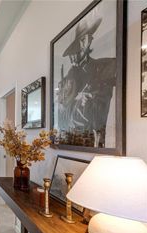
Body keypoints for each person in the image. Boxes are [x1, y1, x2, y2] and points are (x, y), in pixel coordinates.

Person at [57, 18, 116, 147]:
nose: (72, 56)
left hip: (93, 141)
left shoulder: (105, 66)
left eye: (75, 49)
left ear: (87, 41)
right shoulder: (65, 81)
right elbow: (62, 120)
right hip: (71, 140)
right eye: (71, 52)